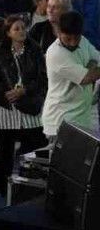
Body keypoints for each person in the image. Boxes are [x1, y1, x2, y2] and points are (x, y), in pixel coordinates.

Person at [0, 15, 47, 198]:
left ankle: (31, 186)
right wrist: (5, 94)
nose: (22, 31)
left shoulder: (35, 50)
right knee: (5, 150)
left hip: (30, 105)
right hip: (7, 107)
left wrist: (24, 90)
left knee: (35, 147)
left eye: (23, 28)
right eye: (17, 29)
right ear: (8, 33)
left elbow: (42, 79)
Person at [42, 9, 100, 139]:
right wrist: (91, 67)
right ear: (58, 32)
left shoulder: (83, 41)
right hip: (60, 122)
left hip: (82, 120)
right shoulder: (55, 53)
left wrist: (91, 68)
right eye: (68, 38)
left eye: (76, 38)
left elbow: (98, 59)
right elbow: (86, 78)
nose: (73, 42)